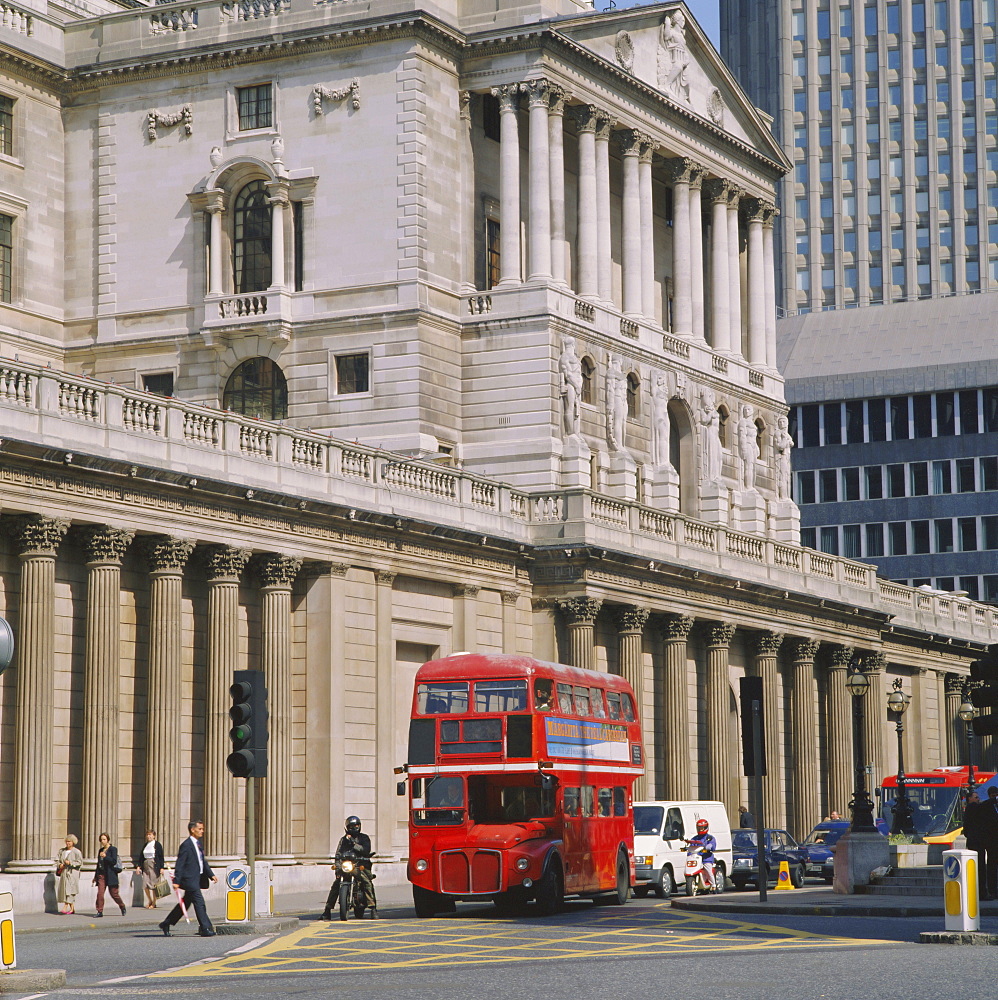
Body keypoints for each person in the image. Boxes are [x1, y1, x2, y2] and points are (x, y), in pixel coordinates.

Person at [159, 820, 217, 937]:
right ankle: (205, 928)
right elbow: (180, 864)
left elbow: (202, 862)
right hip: (189, 879)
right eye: (200, 829)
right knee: (199, 902)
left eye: (202, 829)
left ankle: (167, 923)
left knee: (185, 904)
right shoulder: (186, 845)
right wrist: (176, 881)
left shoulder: (198, 844)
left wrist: (211, 874)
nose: (202, 831)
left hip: (197, 878)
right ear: (192, 830)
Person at [321, 816, 376, 920]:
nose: (355, 828)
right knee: (336, 885)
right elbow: (338, 854)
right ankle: (327, 911)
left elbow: (365, 850)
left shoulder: (364, 838)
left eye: (357, 825)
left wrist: (353, 843)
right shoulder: (343, 840)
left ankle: (373, 908)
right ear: (347, 827)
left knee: (367, 881)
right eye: (352, 826)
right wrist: (337, 868)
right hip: (347, 866)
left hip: (360, 865)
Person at [93, 832, 126, 917]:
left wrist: (105, 856)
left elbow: (113, 861)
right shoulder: (100, 850)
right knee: (100, 893)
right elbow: (98, 864)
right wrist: (95, 876)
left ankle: (122, 906)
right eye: (101, 840)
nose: (102, 841)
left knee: (114, 894)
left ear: (108, 840)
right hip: (101, 875)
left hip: (110, 874)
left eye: (104, 839)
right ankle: (99, 911)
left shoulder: (113, 849)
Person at [962, 790, 987, 900]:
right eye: (976, 797)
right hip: (977, 842)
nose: (978, 799)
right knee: (980, 867)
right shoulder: (972, 807)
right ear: (969, 799)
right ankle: (981, 892)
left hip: (973, 841)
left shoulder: (970, 809)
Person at [134, 829, 166, 909]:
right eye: (147, 835)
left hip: (154, 865)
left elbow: (161, 857)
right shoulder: (146, 845)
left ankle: (154, 902)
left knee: (154, 885)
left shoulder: (157, 844)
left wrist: (162, 867)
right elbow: (141, 857)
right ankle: (150, 900)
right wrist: (138, 866)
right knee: (145, 884)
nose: (149, 836)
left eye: (150, 835)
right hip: (146, 865)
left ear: (154, 836)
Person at [55, 834, 83, 915]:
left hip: (73, 873)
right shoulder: (62, 851)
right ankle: (72, 909)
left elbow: (80, 862)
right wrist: (60, 865)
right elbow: (57, 860)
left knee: (70, 890)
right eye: (67, 841)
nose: (68, 843)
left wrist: (71, 863)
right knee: (65, 889)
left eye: (69, 841)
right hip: (64, 872)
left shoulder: (77, 852)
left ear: (73, 842)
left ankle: (65, 907)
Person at [686, 818, 717, 889]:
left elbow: (713, 845)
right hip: (696, 857)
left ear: (706, 828)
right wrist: (688, 851)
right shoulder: (694, 838)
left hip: (706, 858)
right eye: (698, 828)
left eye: (702, 828)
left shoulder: (709, 837)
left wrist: (709, 847)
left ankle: (713, 885)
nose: (700, 829)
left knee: (708, 870)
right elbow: (692, 846)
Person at [980, 785, 998, 901]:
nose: (995, 798)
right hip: (992, 842)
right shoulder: (986, 806)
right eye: (993, 796)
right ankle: (993, 890)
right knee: (992, 867)